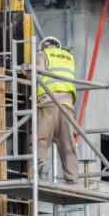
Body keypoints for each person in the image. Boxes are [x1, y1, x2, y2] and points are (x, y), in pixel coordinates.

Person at [35, 36, 79, 184]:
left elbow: (38, 74)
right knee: (68, 145)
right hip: (67, 107)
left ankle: (40, 168)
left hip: (48, 102)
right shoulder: (69, 58)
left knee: (40, 139)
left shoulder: (42, 54)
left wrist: (27, 71)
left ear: (44, 46)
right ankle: (73, 179)